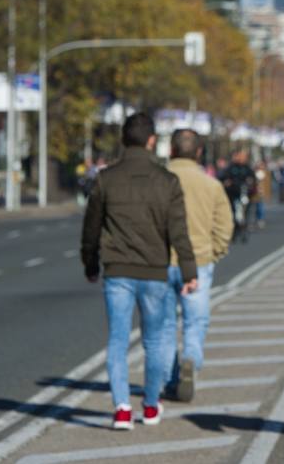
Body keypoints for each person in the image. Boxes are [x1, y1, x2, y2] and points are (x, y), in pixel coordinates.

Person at [81, 113, 198, 431]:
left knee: (117, 340)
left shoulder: (106, 179)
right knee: (155, 340)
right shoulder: (167, 181)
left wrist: (90, 262)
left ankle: (121, 409)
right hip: (154, 271)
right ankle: (149, 405)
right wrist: (189, 270)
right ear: (151, 141)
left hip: (117, 270)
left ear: (123, 140)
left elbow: (91, 227)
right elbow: (178, 231)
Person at [162, 129, 234, 402]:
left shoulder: (159, 181)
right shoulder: (211, 185)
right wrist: (214, 251)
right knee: (196, 320)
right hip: (200, 261)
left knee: (165, 325)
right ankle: (191, 357)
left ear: (171, 150)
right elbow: (224, 225)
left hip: (162, 261)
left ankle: (170, 379)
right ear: (199, 153)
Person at [222, 150, 256, 243]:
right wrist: (227, 182)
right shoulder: (231, 168)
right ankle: (234, 233)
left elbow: (253, 179)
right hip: (233, 194)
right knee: (233, 215)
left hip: (244, 194)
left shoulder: (247, 168)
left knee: (245, 214)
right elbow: (223, 177)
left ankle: (243, 233)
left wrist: (251, 184)